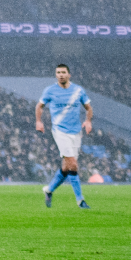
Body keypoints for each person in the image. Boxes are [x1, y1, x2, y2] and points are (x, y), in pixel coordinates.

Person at [36, 64, 93, 209]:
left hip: (75, 132)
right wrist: (39, 121)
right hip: (60, 131)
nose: (60, 75)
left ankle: (49, 190)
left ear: (69, 74)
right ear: (56, 75)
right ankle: (80, 201)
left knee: (67, 167)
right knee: (73, 164)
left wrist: (87, 121)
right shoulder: (50, 91)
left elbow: (88, 107)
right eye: (58, 72)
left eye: (63, 72)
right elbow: (39, 106)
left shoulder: (78, 90)